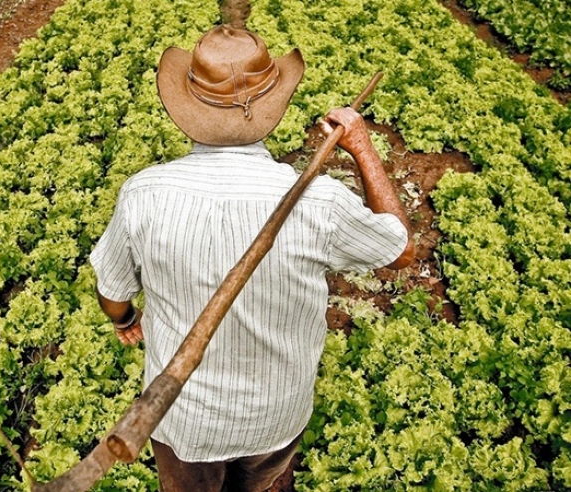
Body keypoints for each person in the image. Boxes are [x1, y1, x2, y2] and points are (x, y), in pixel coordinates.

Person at [89, 24, 415, 492]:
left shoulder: (144, 194)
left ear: (187, 106)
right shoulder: (320, 202)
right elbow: (401, 249)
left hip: (185, 422)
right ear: (273, 106)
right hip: (276, 417)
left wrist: (124, 321)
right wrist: (361, 146)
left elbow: (112, 294)